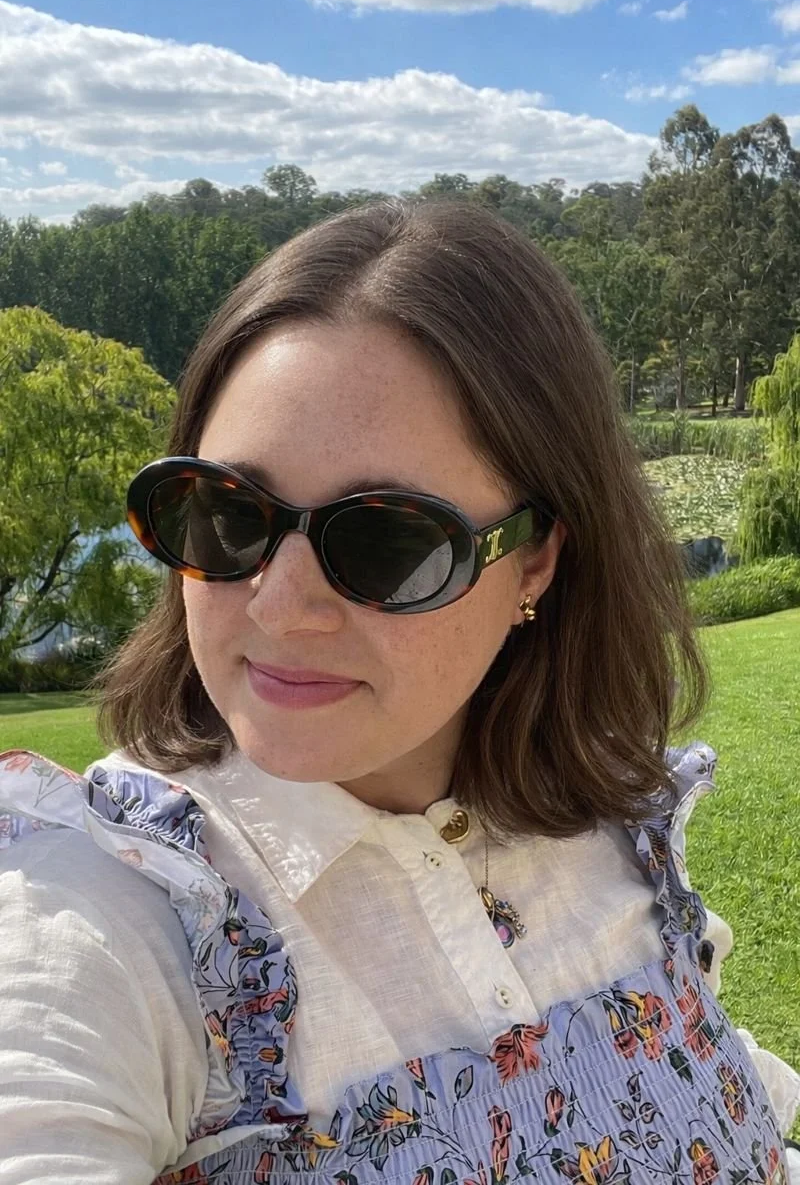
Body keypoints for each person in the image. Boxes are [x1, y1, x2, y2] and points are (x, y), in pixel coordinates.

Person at [1, 196, 798, 1185]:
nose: (281, 607)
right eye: (225, 514)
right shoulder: (113, 913)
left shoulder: (609, 822)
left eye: (385, 540)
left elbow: (729, 1079)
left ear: (536, 561)